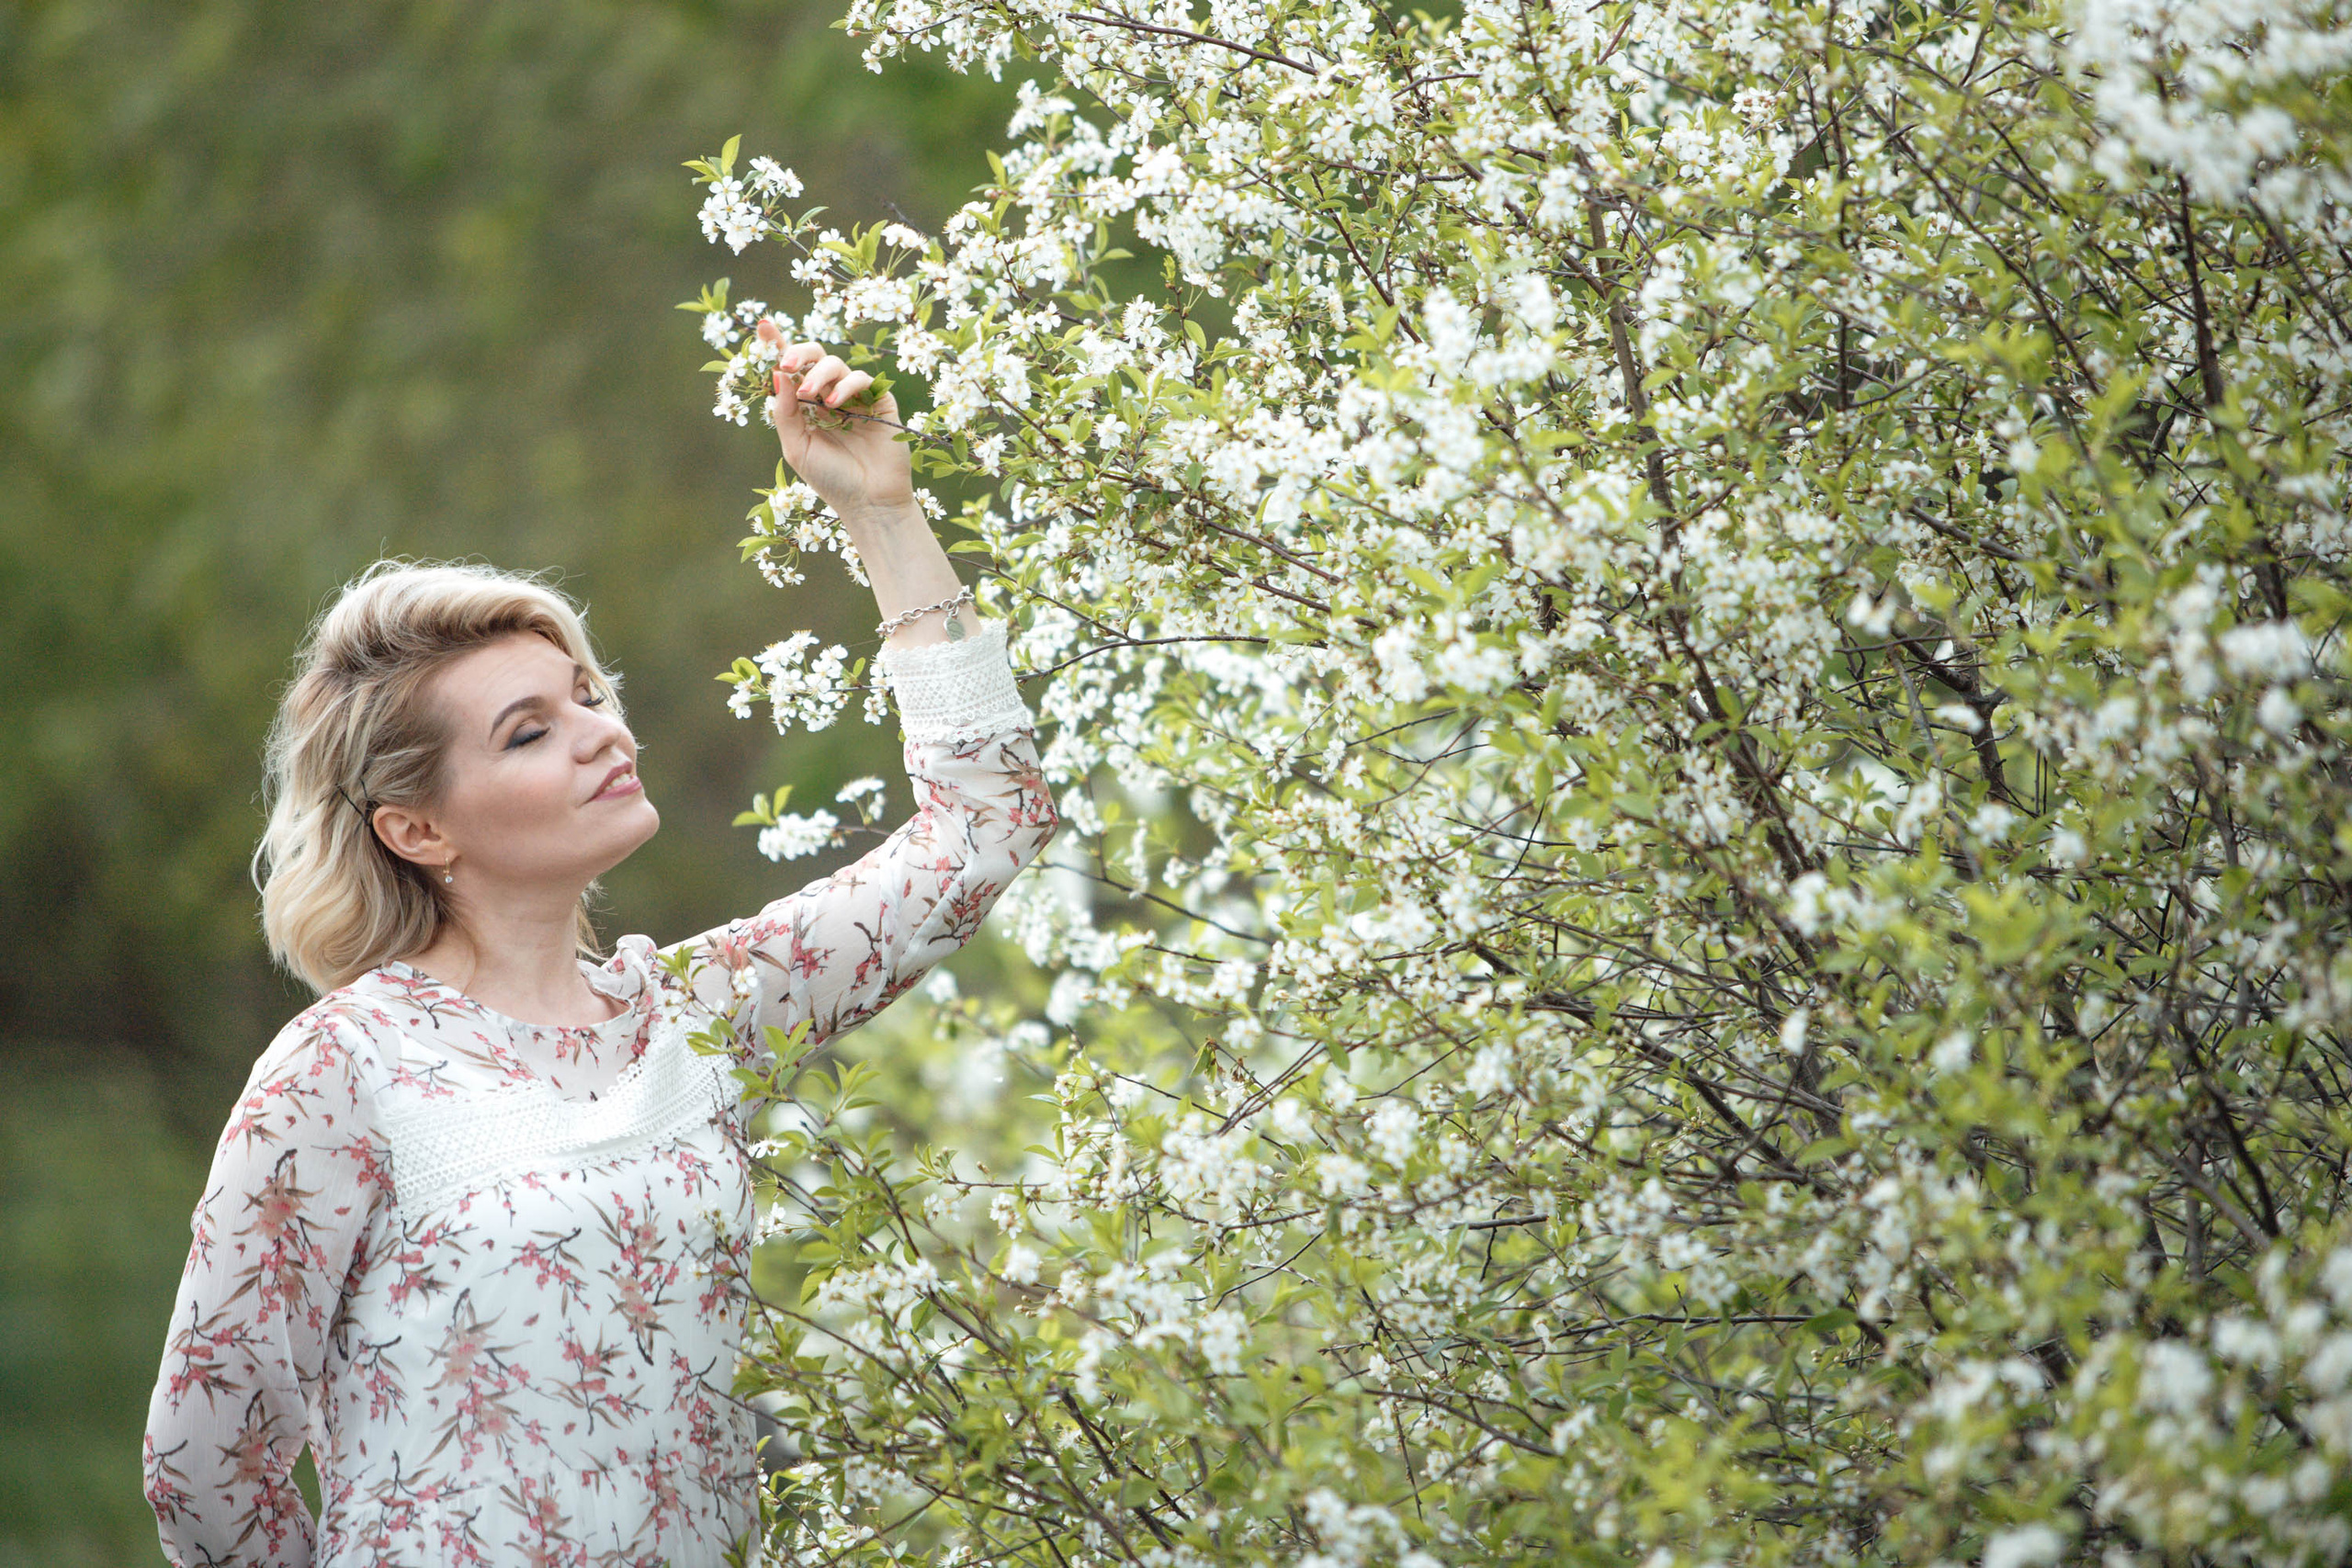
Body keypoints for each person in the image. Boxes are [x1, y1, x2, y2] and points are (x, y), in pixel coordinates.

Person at [141, 335, 1057, 1567]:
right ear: (415, 828)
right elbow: (206, 1459)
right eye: (529, 732)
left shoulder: (699, 1011)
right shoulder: (345, 1073)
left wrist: (882, 515)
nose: (596, 732)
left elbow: (984, 830)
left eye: (587, 693)